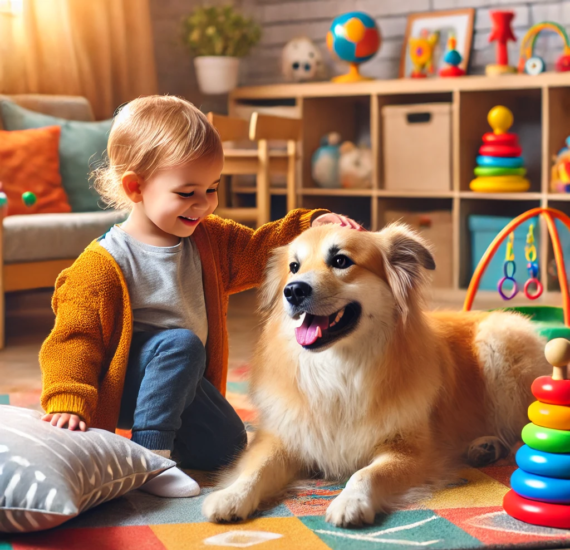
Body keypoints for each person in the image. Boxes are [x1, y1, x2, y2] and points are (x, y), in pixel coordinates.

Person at [39, 95, 363, 498]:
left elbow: (259, 251)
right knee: (180, 342)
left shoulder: (207, 239)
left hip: (183, 383)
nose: (203, 204)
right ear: (135, 187)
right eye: (187, 192)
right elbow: (73, 340)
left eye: (212, 188)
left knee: (229, 449)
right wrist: (69, 397)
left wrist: (309, 225)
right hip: (127, 389)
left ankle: (161, 434)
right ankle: (150, 457)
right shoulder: (102, 265)